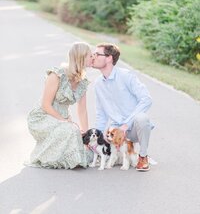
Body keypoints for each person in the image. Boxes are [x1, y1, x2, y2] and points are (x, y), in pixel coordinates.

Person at [27, 42, 92, 169]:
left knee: (76, 133)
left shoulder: (82, 81)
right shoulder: (57, 75)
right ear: (81, 57)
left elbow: (82, 110)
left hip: (63, 118)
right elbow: (45, 105)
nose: (93, 59)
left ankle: (70, 157)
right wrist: (64, 120)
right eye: (90, 56)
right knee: (70, 129)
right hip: (43, 116)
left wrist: (87, 135)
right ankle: (47, 158)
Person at [92, 43, 153, 171]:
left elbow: (146, 99)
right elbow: (101, 114)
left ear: (109, 58)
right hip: (114, 132)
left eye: (97, 54)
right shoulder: (98, 84)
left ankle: (143, 156)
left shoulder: (126, 76)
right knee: (89, 154)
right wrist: (97, 138)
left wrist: (126, 124)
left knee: (142, 118)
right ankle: (114, 155)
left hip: (133, 129)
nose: (94, 56)